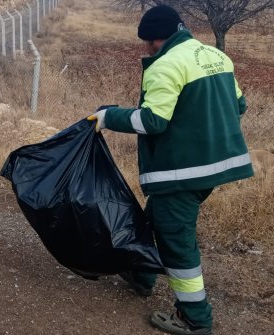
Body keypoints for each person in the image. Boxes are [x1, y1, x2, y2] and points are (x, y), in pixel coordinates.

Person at [88, 5, 253, 335]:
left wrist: (108, 116)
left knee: (176, 238)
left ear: (155, 40)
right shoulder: (215, 56)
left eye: (146, 42)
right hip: (217, 166)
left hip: (183, 171)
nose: (145, 48)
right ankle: (141, 273)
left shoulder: (165, 65)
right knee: (155, 220)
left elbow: (152, 121)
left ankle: (194, 317)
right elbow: (240, 105)